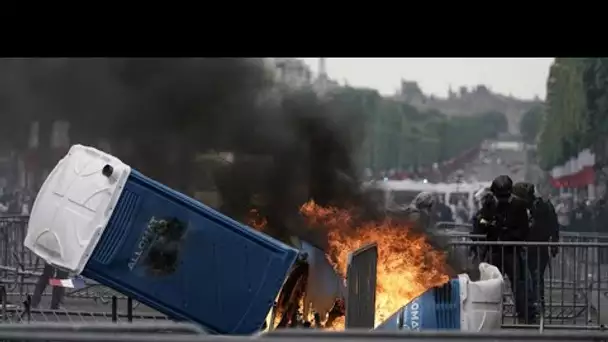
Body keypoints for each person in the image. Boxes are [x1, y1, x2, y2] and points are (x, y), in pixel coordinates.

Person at [472, 175, 536, 323]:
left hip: (512, 250)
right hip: (494, 250)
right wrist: (487, 222)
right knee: (491, 285)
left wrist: (507, 233)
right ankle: (491, 315)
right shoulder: (490, 205)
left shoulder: (519, 205)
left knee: (519, 285)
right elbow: (481, 226)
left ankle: (524, 315)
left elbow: (524, 231)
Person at [513, 182, 559, 310]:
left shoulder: (541, 207)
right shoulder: (531, 208)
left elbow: (552, 226)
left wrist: (554, 243)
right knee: (529, 279)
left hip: (538, 248)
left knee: (535, 278)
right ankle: (531, 305)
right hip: (529, 248)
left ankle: (537, 304)